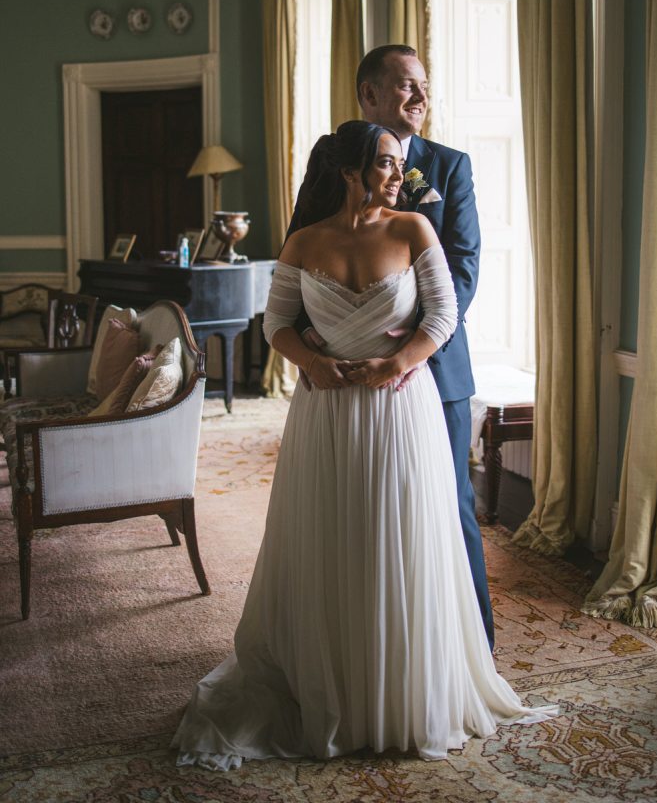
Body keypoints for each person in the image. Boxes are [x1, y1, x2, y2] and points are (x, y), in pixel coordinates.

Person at [173, 121, 556, 770]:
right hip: (324, 414)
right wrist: (312, 365)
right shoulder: (305, 240)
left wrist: (398, 361)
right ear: (349, 168)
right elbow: (276, 324)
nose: (397, 173)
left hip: (398, 409)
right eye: (384, 161)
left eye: (397, 162)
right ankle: (330, 682)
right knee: (330, 536)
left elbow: (442, 312)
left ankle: (398, 695)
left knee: (394, 535)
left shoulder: (413, 230)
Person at [292, 45, 494, 650]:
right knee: (353, 506)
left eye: (424, 86)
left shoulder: (450, 167)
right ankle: (365, 644)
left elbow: (464, 269)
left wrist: (410, 348)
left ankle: (471, 650)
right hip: (340, 367)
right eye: (406, 86)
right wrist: (309, 339)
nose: (420, 97)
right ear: (369, 94)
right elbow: (299, 246)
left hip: (435, 370)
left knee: (449, 506)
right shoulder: (334, 157)